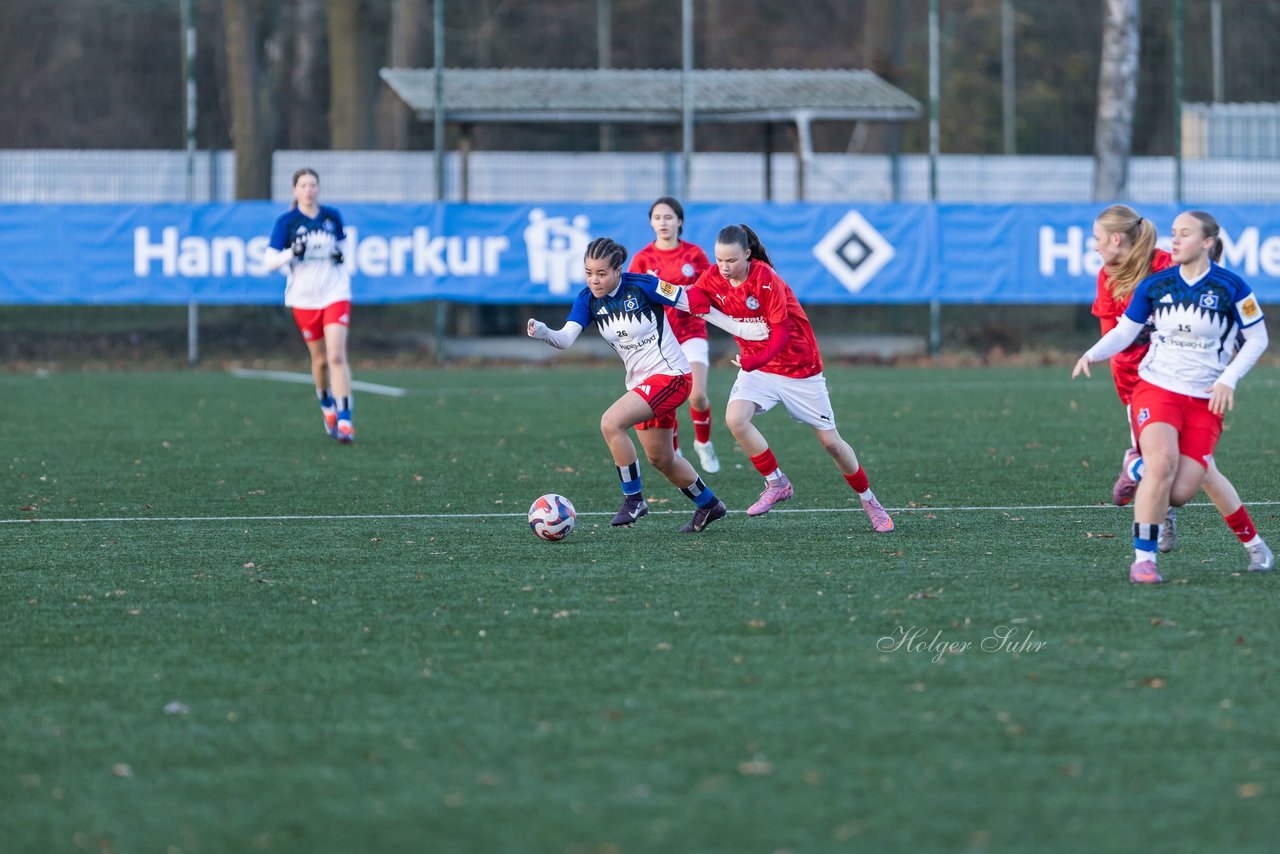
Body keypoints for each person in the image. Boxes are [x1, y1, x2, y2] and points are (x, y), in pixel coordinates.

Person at [1074, 210, 1272, 583]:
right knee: (1161, 464)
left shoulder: (1232, 287)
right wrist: (1092, 353)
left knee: (1182, 489)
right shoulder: (1157, 284)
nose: (1175, 240)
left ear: (1208, 242)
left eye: (1185, 234)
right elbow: (1122, 332)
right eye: (1174, 233)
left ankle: (1254, 544)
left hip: (1203, 397)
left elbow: (1257, 337)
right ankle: (1144, 561)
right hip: (1154, 387)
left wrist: (1228, 379)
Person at [527, 237, 768, 533]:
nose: (594, 280)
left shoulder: (643, 285)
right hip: (641, 385)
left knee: (610, 423)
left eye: (601, 273)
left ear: (618, 270)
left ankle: (634, 500)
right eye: (588, 272)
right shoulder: (587, 299)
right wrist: (543, 332)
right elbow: (564, 339)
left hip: (672, 377)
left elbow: (693, 303)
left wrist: (742, 329)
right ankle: (709, 505)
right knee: (662, 459)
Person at [685, 223, 894, 533]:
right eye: (719, 260)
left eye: (731, 260)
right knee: (735, 419)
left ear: (747, 254)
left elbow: (781, 332)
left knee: (831, 444)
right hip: (760, 370)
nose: (724, 267)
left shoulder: (766, 279)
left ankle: (870, 501)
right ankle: (777, 482)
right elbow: (697, 293)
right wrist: (698, 300)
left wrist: (757, 358)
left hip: (799, 369)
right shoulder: (715, 275)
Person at [629, 197, 721, 473]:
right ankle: (676, 450)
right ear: (651, 222)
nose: (663, 222)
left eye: (668, 217)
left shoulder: (694, 255)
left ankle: (703, 444)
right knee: (668, 399)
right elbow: (633, 299)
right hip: (660, 340)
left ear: (679, 221)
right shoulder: (643, 259)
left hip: (692, 332)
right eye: (657, 217)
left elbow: (710, 289)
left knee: (697, 395)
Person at [266, 168, 356, 444]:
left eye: (313, 184)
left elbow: (346, 253)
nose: (308, 190)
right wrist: (291, 252)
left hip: (334, 293)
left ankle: (345, 420)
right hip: (304, 298)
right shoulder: (287, 222)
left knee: (336, 357)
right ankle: (326, 405)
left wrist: (341, 256)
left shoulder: (332, 217)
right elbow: (269, 262)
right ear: (295, 191)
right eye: (303, 185)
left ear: (318, 189)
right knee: (319, 360)